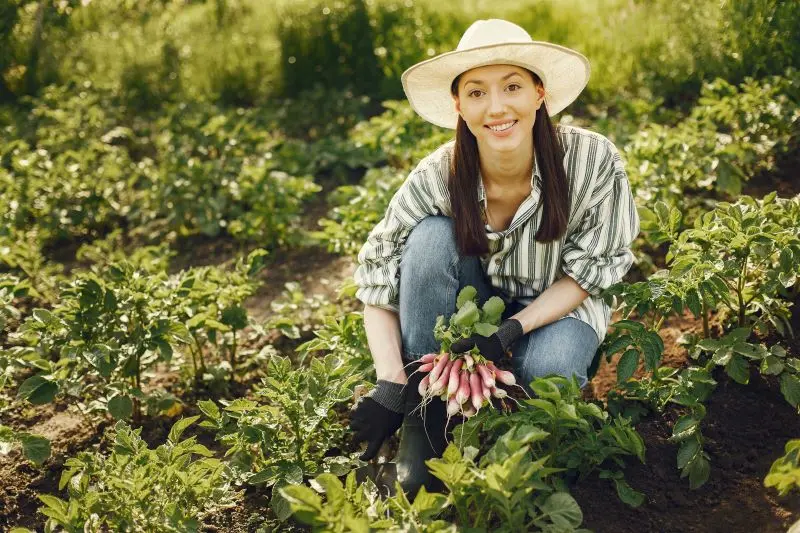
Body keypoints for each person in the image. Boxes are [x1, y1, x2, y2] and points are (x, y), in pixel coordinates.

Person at [348, 18, 640, 497]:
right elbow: (377, 278)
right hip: (474, 301)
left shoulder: (592, 161)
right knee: (426, 239)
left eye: (512, 87)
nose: (497, 107)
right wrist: (390, 383)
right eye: (477, 93)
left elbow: (592, 270)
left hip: (557, 308)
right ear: (459, 106)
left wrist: (511, 329)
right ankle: (427, 420)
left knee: (546, 373)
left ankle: (524, 436)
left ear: (539, 93)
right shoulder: (438, 175)